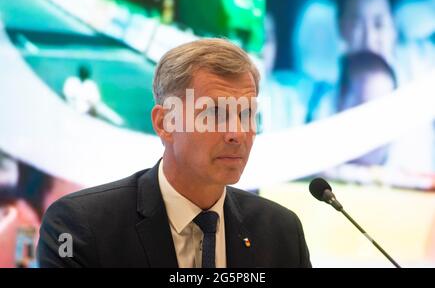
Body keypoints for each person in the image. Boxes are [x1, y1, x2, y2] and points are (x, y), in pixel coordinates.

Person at [37, 38, 311, 268]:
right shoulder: (79, 226)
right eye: (215, 113)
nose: (237, 133)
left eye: (247, 114)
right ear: (164, 123)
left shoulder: (281, 232)